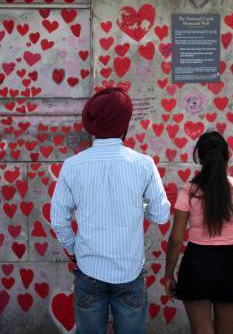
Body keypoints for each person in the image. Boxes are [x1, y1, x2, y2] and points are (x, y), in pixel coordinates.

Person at [51, 86, 171, 334]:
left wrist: (75, 250)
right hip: (129, 271)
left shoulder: (72, 166)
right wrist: (140, 206)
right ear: (124, 123)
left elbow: (59, 220)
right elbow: (161, 215)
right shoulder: (143, 164)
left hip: (88, 270)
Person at [163, 131, 233, 334]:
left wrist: (168, 274)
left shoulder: (189, 190)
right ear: (228, 156)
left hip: (197, 263)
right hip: (232, 264)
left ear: (199, 157)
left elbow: (175, 239)